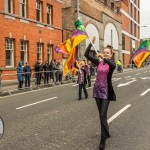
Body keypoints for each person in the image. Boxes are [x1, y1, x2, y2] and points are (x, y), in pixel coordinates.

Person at [84, 36, 116, 150]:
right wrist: (90, 43)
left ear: (111, 55)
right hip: (97, 91)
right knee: (101, 116)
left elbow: (112, 66)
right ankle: (106, 130)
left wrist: (103, 57)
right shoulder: (98, 62)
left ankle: (103, 140)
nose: (106, 54)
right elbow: (86, 55)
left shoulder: (112, 64)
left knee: (103, 114)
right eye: (105, 52)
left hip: (106, 92)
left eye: (108, 53)